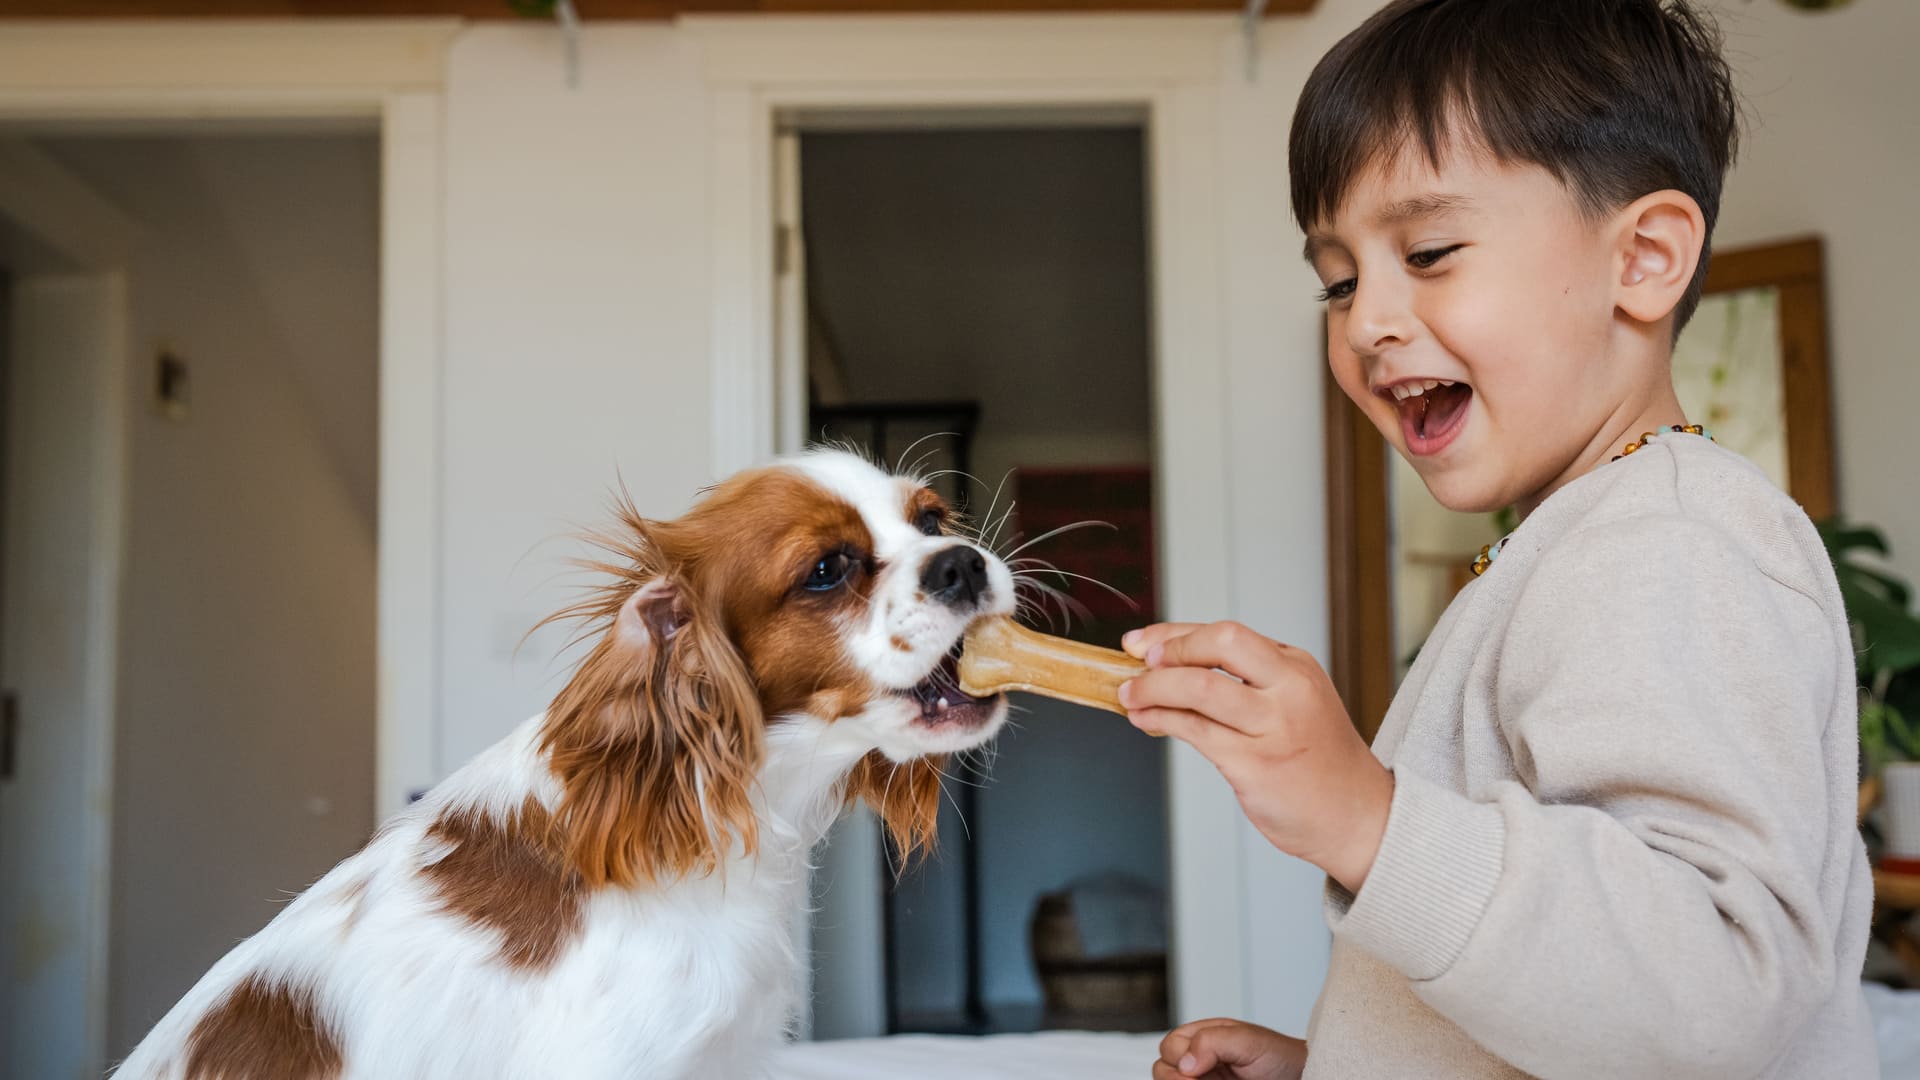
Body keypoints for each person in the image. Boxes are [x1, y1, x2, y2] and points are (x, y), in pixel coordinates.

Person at [1120, 1, 1877, 1076]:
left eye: (1429, 252)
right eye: (1339, 281)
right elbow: (1565, 1001)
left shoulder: (1669, 545)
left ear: (1644, 259)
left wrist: (1366, 820)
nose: (1365, 321)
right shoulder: (1569, 547)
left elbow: (1711, 995)